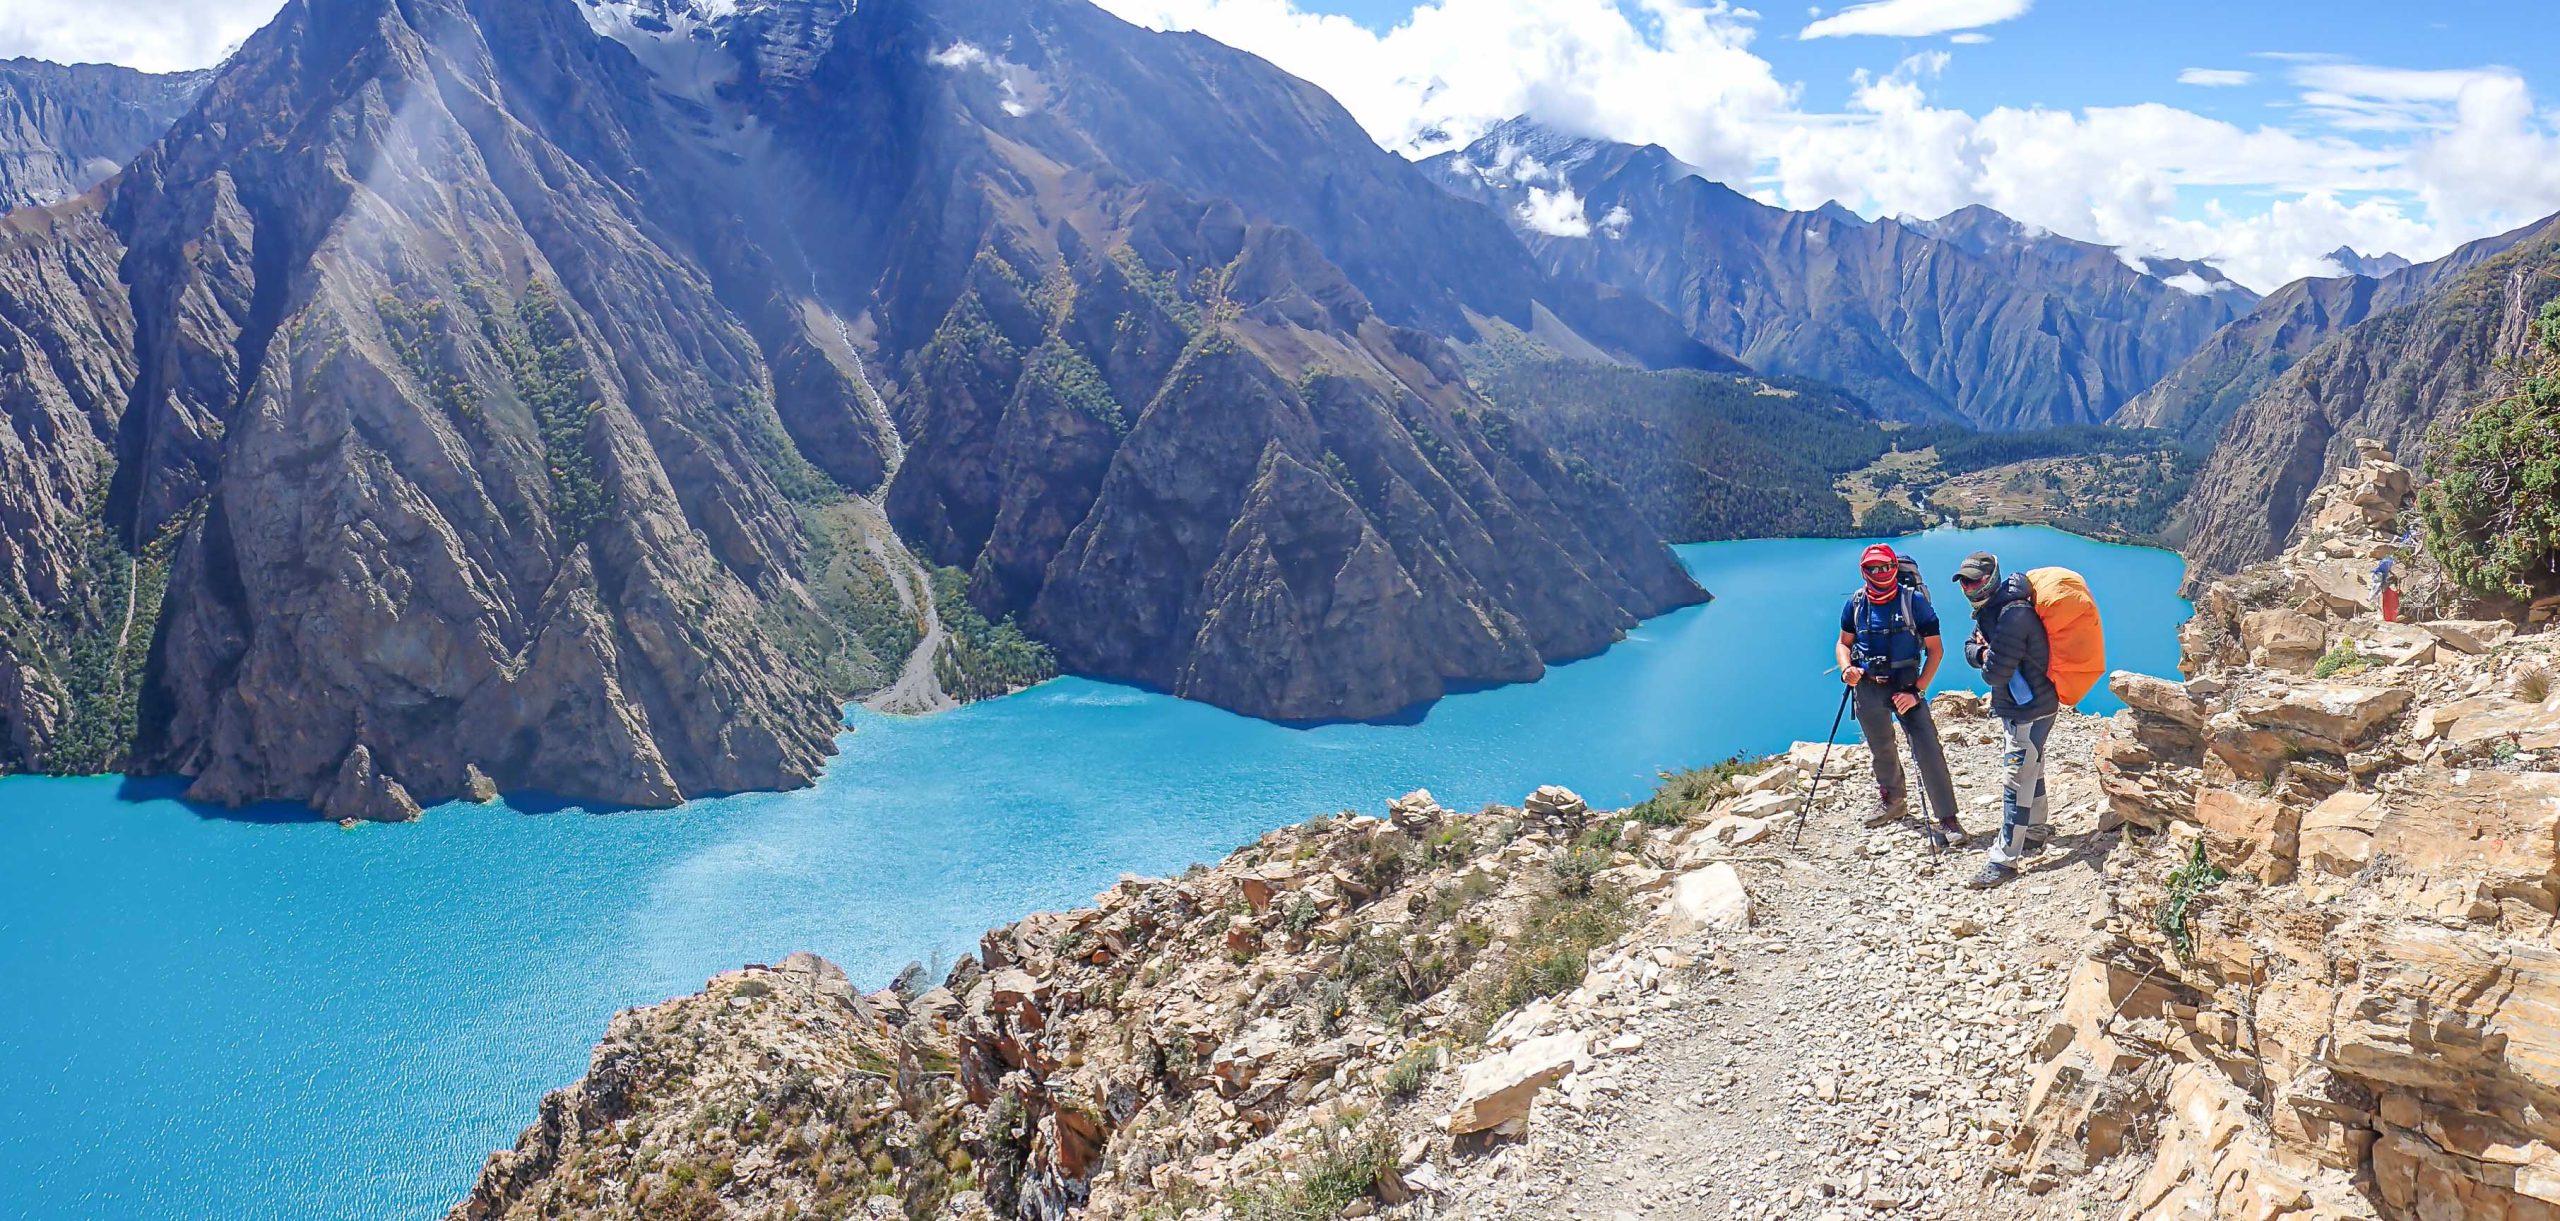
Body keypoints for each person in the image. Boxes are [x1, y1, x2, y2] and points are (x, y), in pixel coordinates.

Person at [1836, 544, 1965, 847]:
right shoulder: (1856, 604)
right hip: (1868, 685)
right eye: (1873, 568)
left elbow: (1936, 650)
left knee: (1927, 749)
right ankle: (1893, 801)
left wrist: (1917, 691)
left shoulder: (1914, 602)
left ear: (1895, 566)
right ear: (1863, 571)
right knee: (1881, 747)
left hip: (1907, 686)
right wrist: (1847, 670)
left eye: (1885, 567)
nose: (1880, 573)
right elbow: (1843, 644)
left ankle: (1947, 818)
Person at [1955, 551, 2059, 889]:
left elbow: (1992, 672)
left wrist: (1983, 653)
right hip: (2035, 704)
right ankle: (2035, 831)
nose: (1970, 586)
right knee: (2034, 766)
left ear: (1993, 577)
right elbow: (1972, 646)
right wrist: (1982, 651)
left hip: (2026, 710)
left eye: (1976, 579)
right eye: (1965, 581)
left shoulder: (2010, 616)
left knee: (2016, 780)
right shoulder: (1995, 607)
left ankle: (2004, 860)